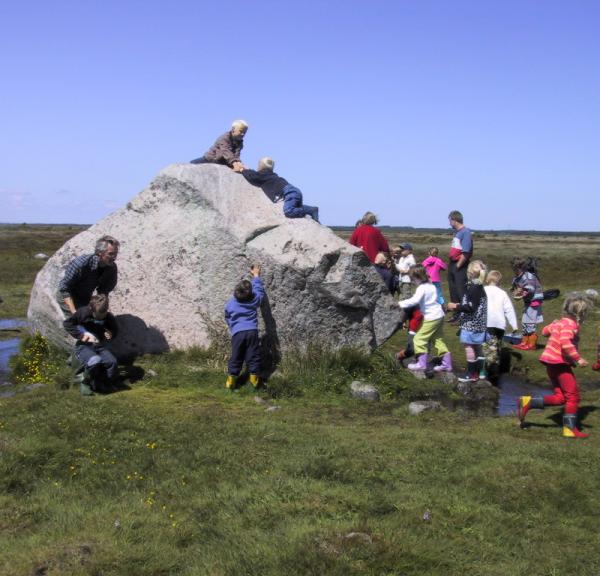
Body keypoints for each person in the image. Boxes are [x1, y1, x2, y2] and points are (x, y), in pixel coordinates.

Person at [517, 293, 592, 438]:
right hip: (560, 363)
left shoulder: (560, 322)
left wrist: (553, 324)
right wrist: (578, 358)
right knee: (573, 397)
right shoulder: (571, 325)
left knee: (560, 397)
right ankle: (569, 429)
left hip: (550, 363)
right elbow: (565, 343)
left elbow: (545, 332)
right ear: (580, 314)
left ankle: (528, 402)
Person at [398, 265, 452, 372]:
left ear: (418, 277)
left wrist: (398, 303)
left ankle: (422, 364)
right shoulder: (431, 286)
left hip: (431, 317)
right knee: (437, 339)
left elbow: (414, 301)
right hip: (439, 315)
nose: (412, 282)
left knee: (419, 339)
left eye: (412, 279)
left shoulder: (422, 288)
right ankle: (447, 364)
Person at [63, 294, 119, 395]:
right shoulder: (83, 313)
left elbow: (115, 330)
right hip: (83, 346)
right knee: (95, 360)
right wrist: (81, 335)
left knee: (112, 362)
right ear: (91, 309)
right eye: (98, 316)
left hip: (99, 346)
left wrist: (111, 334)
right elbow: (67, 323)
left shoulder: (108, 317)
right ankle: (86, 383)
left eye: (104, 315)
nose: (101, 317)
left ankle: (104, 383)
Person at [224, 264, 265, 389]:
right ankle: (254, 380)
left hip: (238, 333)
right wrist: (256, 275)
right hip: (252, 332)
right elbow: (259, 290)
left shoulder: (230, 304)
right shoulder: (254, 300)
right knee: (253, 355)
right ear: (250, 293)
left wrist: (233, 328)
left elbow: (227, 317)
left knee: (236, 356)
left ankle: (231, 380)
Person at [57, 235, 119, 317]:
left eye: (116, 254)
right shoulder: (81, 264)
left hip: (84, 298)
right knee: (77, 323)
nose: (114, 257)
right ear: (100, 252)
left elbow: (104, 291)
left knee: (101, 320)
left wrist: (101, 310)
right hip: (67, 296)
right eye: (111, 254)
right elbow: (64, 288)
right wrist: (74, 312)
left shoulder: (111, 268)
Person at [240, 157, 319, 221]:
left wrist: (242, 170)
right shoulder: (270, 175)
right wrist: (247, 170)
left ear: (260, 166)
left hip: (289, 192)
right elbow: (255, 175)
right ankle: (314, 218)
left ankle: (312, 210)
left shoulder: (263, 175)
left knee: (289, 211)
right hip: (293, 191)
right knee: (297, 209)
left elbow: (252, 177)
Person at [447, 260, 488, 382]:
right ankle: (481, 372)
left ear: (469, 272)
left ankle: (471, 374)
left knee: (469, 347)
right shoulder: (480, 286)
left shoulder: (475, 286)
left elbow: (471, 307)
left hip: (471, 323)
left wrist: (455, 307)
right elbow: (474, 304)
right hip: (480, 323)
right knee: (478, 347)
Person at [483, 270, 518, 378]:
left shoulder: (483, 290)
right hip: (499, 325)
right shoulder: (503, 293)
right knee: (496, 346)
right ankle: (494, 369)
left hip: (487, 323)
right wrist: (514, 324)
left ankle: (489, 372)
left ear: (487, 279)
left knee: (488, 348)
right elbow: (509, 310)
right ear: (499, 281)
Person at [511, 256, 544, 351]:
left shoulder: (528, 277)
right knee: (525, 322)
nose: (515, 271)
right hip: (528, 301)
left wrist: (522, 293)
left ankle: (532, 344)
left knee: (530, 322)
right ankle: (524, 342)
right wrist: (514, 290)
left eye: (516, 269)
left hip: (534, 301)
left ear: (521, 268)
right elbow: (514, 286)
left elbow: (531, 289)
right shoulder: (518, 277)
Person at [447, 210, 473, 323]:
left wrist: (458, 265)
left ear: (454, 220)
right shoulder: (458, 232)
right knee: (453, 290)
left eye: (450, 220)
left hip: (460, 265)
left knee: (461, 290)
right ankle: (456, 314)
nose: (449, 223)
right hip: (453, 264)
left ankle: (463, 315)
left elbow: (466, 252)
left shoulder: (465, 232)